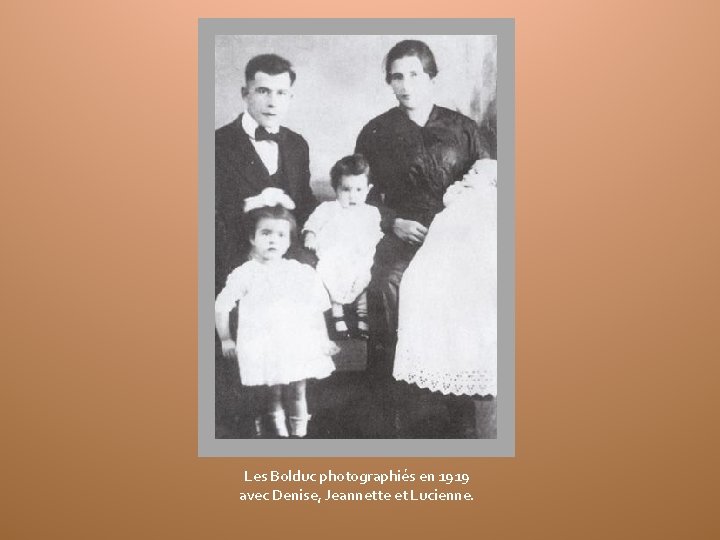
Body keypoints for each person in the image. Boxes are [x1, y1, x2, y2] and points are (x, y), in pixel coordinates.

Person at [355, 39, 493, 436]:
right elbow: (361, 196)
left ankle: (457, 410)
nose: (405, 85)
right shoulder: (376, 131)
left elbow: (489, 181)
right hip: (402, 234)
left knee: (463, 290)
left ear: (432, 78)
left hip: (455, 237)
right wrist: (393, 222)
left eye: (414, 74)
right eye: (397, 77)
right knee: (387, 283)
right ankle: (393, 412)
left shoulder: (463, 129)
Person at [215, 188, 336, 438]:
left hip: (294, 343)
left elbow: (315, 307)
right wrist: (226, 338)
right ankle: (280, 434)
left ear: (289, 241)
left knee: (298, 389)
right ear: (252, 238)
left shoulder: (299, 272)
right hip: (265, 345)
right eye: (266, 233)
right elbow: (221, 305)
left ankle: (299, 433)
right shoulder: (245, 273)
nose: (273, 240)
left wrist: (323, 340)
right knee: (274, 391)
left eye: (281, 235)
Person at [393, 160, 497, 437]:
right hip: (438, 246)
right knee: (416, 283)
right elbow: (448, 201)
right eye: (471, 170)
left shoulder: (489, 198)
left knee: (470, 293)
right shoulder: (460, 192)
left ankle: (465, 398)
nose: (469, 174)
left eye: (477, 173)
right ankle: (428, 395)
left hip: (471, 250)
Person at [215, 53, 316, 295]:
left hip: (288, 250)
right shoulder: (217, 143)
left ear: (290, 97)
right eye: (263, 91)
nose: (272, 102)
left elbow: (305, 202)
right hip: (233, 251)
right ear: (245, 94)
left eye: (281, 93)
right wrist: (251, 204)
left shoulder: (297, 144)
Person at [302, 154, 383, 339]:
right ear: (335, 189)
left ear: (368, 189)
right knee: (330, 275)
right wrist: (310, 235)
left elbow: (375, 234)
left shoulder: (371, 212)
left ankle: (362, 317)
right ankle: (337, 316)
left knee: (363, 278)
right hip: (334, 254)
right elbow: (313, 224)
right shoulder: (328, 208)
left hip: (358, 256)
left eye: (359, 189)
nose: (352, 196)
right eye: (346, 189)